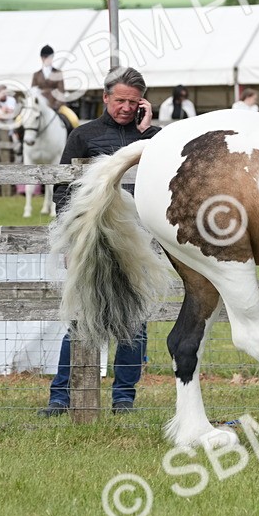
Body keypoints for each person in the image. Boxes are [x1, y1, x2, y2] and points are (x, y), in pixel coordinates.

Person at [40, 67, 160, 417]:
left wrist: (147, 132)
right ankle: (61, 397)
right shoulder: (84, 135)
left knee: (134, 321)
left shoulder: (154, 139)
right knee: (80, 318)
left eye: (134, 102)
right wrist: (70, 240)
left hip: (137, 242)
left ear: (143, 103)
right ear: (106, 98)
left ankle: (123, 399)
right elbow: (63, 191)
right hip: (91, 241)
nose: (126, 107)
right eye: (120, 100)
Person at [31, 44, 79, 128]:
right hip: (41, 106)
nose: (46, 59)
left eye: (49, 57)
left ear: (52, 58)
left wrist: (56, 106)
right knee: (21, 119)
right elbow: (33, 92)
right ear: (41, 58)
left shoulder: (58, 73)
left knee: (73, 120)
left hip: (56, 105)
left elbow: (61, 91)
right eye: (44, 57)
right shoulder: (36, 75)